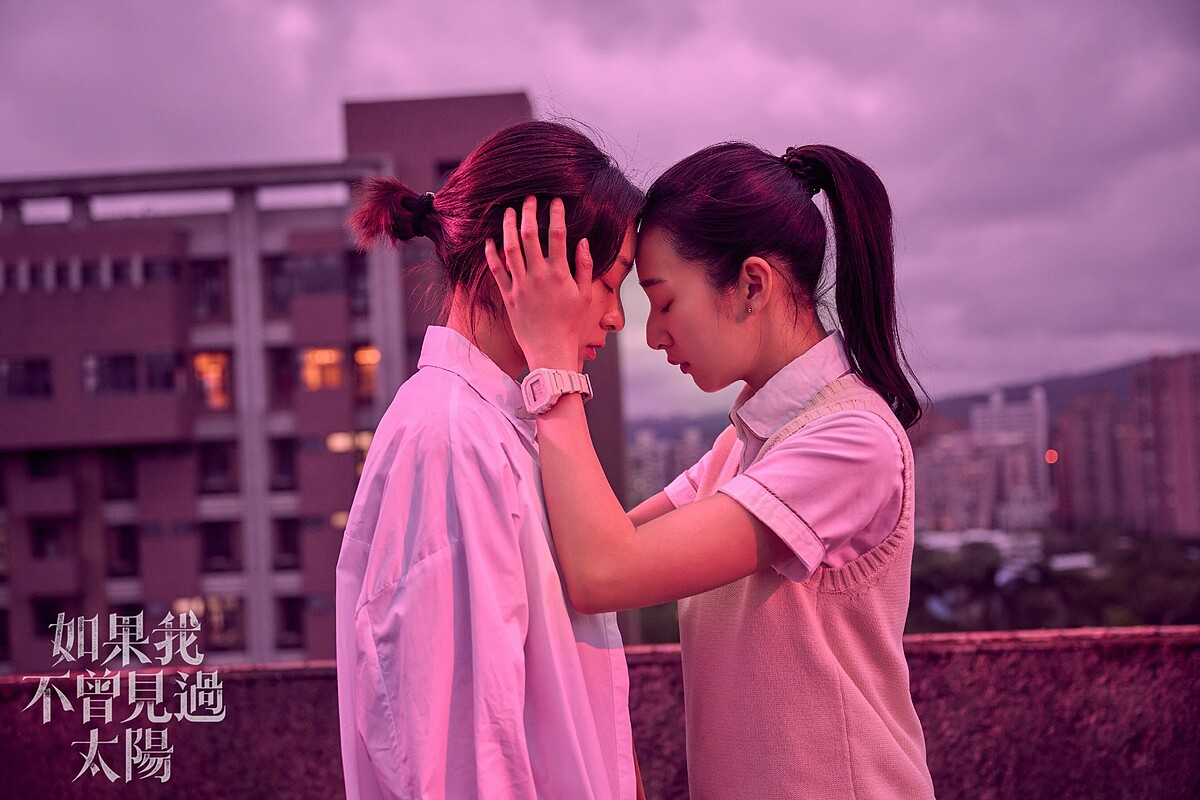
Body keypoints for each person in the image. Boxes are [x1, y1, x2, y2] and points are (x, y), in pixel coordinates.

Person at [486, 142, 937, 798]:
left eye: (665, 303)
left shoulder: (851, 441)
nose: (651, 335)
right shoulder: (743, 447)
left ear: (752, 284)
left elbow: (604, 573)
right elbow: (588, 546)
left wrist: (552, 365)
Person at [335, 119, 644, 800]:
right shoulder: (451, 438)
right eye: (610, 282)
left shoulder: (498, 424)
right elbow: (463, 757)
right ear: (531, 261)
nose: (618, 317)